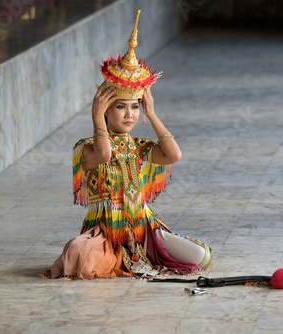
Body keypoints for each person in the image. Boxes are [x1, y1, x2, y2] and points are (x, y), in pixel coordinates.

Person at [43, 10, 212, 280]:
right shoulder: (85, 148)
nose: (129, 114)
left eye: (135, 107)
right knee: (78, 255)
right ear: (107, 110)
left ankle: (141, 256)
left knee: (202, 257)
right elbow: (105, 153)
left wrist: (152, 114)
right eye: (120, 107)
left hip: (145, 232)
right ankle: (111, 257)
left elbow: (174, 155)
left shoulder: (142, 148)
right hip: (106, 234)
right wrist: (96, 118)